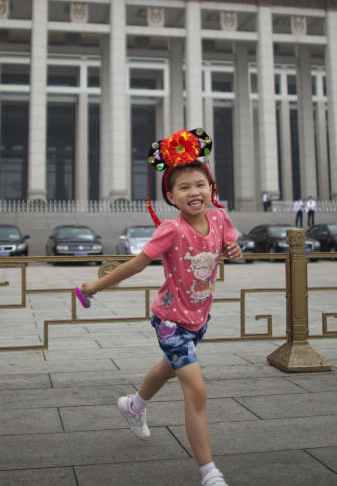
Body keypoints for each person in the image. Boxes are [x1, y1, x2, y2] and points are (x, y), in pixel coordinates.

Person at [80, 128, 242, 486]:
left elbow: (230, 240)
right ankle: (209, 472)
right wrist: (96, 286)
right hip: (170, 321)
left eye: (199, 184)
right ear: (170, 196)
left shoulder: (218, 217)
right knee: (196, 390)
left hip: (199, 317)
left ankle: (134, 405)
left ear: (210, 188)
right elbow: (137, 264)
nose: (193, 192)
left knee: (168, 368)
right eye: (183, 188)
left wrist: (234, 249)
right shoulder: (170, 230)